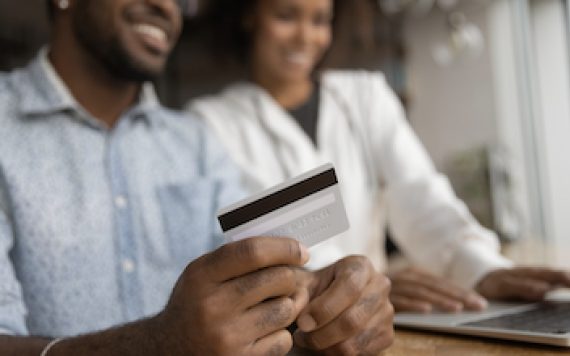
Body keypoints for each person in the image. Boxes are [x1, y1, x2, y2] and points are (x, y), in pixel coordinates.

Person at [0, 0, 394, 355]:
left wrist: (323, 298)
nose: (166, 7)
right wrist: (159, 344)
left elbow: (250, 282)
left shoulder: (196, 141)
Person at [187, 0, 570, 314]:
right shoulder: (211, 123)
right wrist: (356, 286)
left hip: (388, 319)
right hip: (295, 328)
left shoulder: (365, 96)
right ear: (249, 16)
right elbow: (261, 243)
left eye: (320, 19)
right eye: (286, 16)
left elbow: (420, 196)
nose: (306, 36)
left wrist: (480, 268)